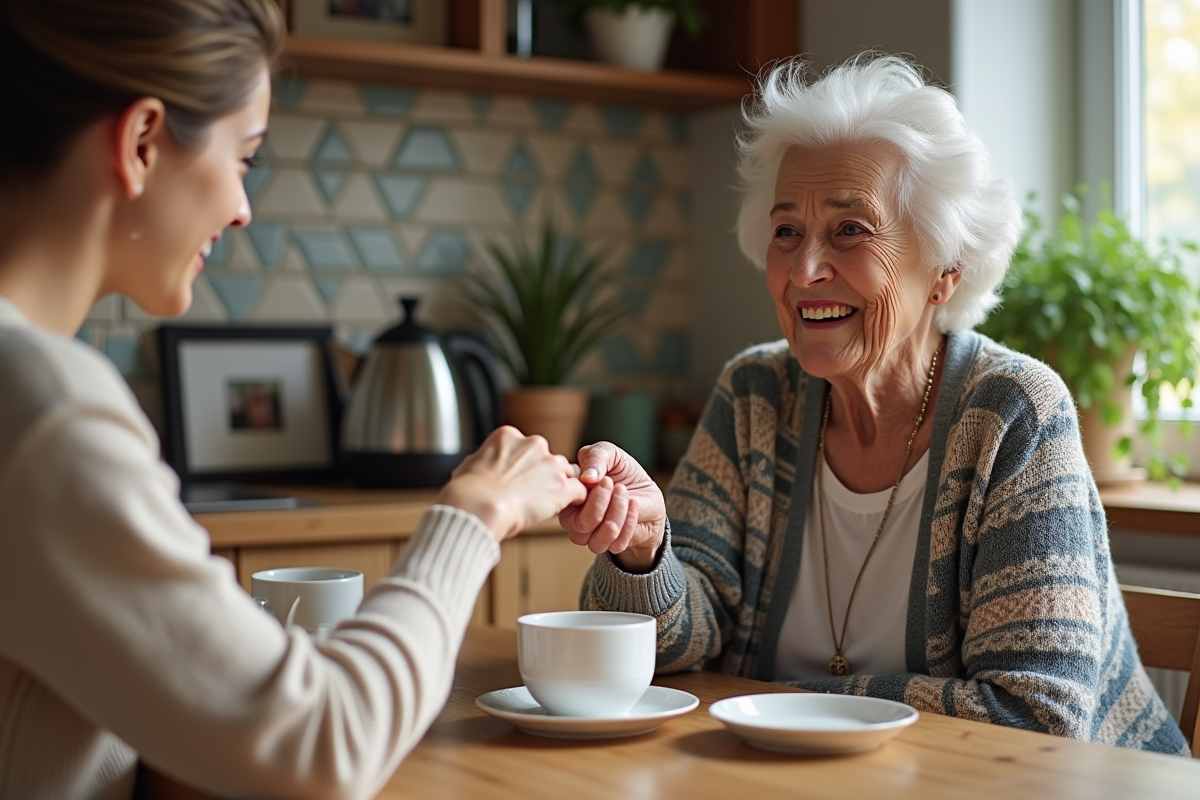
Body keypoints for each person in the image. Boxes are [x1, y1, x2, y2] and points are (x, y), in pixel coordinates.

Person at [0, 2, 586, 798]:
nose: (243, 209)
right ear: (141, 143)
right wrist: (475, 513)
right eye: (244, 157)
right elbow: (323, 745)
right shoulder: (43, 409)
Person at [560, 54, 1189, 755]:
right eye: (787, 231)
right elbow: (677, 647)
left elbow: (1035, 718)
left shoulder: (1014, 414)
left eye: (851, 230)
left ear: (946, 271)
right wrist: (645, 553)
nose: (803, 271)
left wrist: (782, 702)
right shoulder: (753, 397)